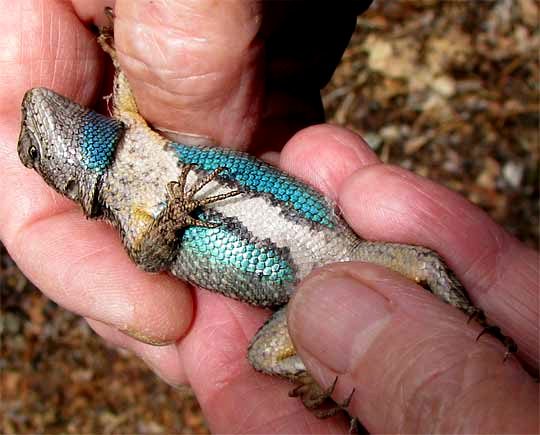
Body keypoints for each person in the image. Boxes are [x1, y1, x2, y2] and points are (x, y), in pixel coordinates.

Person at [1, 1, 537, 433]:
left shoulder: (129, 125)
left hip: (340, 243)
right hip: (300, 287)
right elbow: (147, 253)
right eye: (33, 149)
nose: (35, 120)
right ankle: (328, 378)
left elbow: (128, 67)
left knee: (425, 262)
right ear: (66, 181)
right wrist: (170, 220)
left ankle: (483, 330)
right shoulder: (129, 215)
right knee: (261, 356)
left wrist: (119, 37)